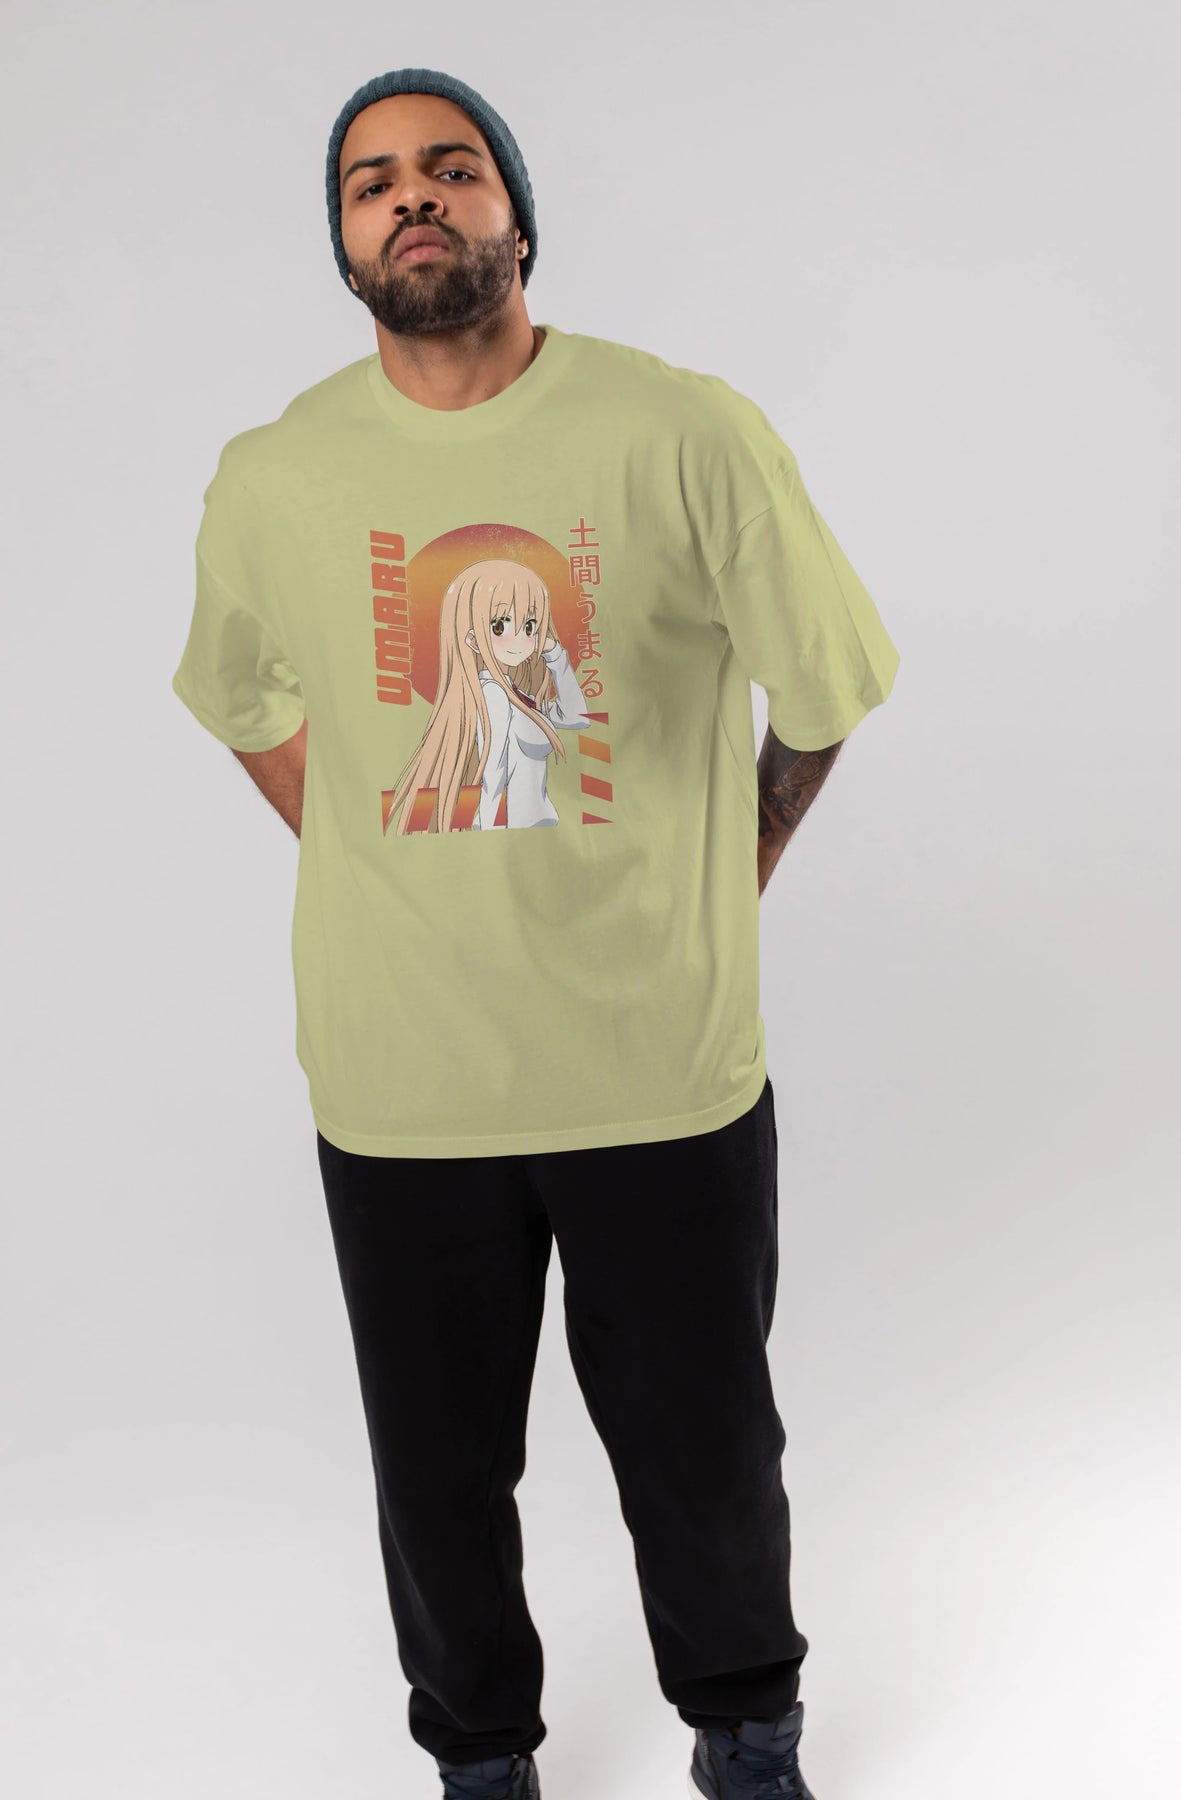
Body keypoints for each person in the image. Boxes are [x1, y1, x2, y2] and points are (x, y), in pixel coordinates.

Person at [170, 66, 901, 1800]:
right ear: (343, 242)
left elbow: (824, 686)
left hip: (659, 1063)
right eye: (372, 183)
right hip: (403, 1082)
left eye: (452, 167)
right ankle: (481, 1761)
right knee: (435, 1475)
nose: (413, 198)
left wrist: (739, 861)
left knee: (705, 1448)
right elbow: (242, 698)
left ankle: (748, 1733)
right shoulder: (273, 475)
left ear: (517, 213)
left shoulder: (683, 432)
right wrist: (369, 852)